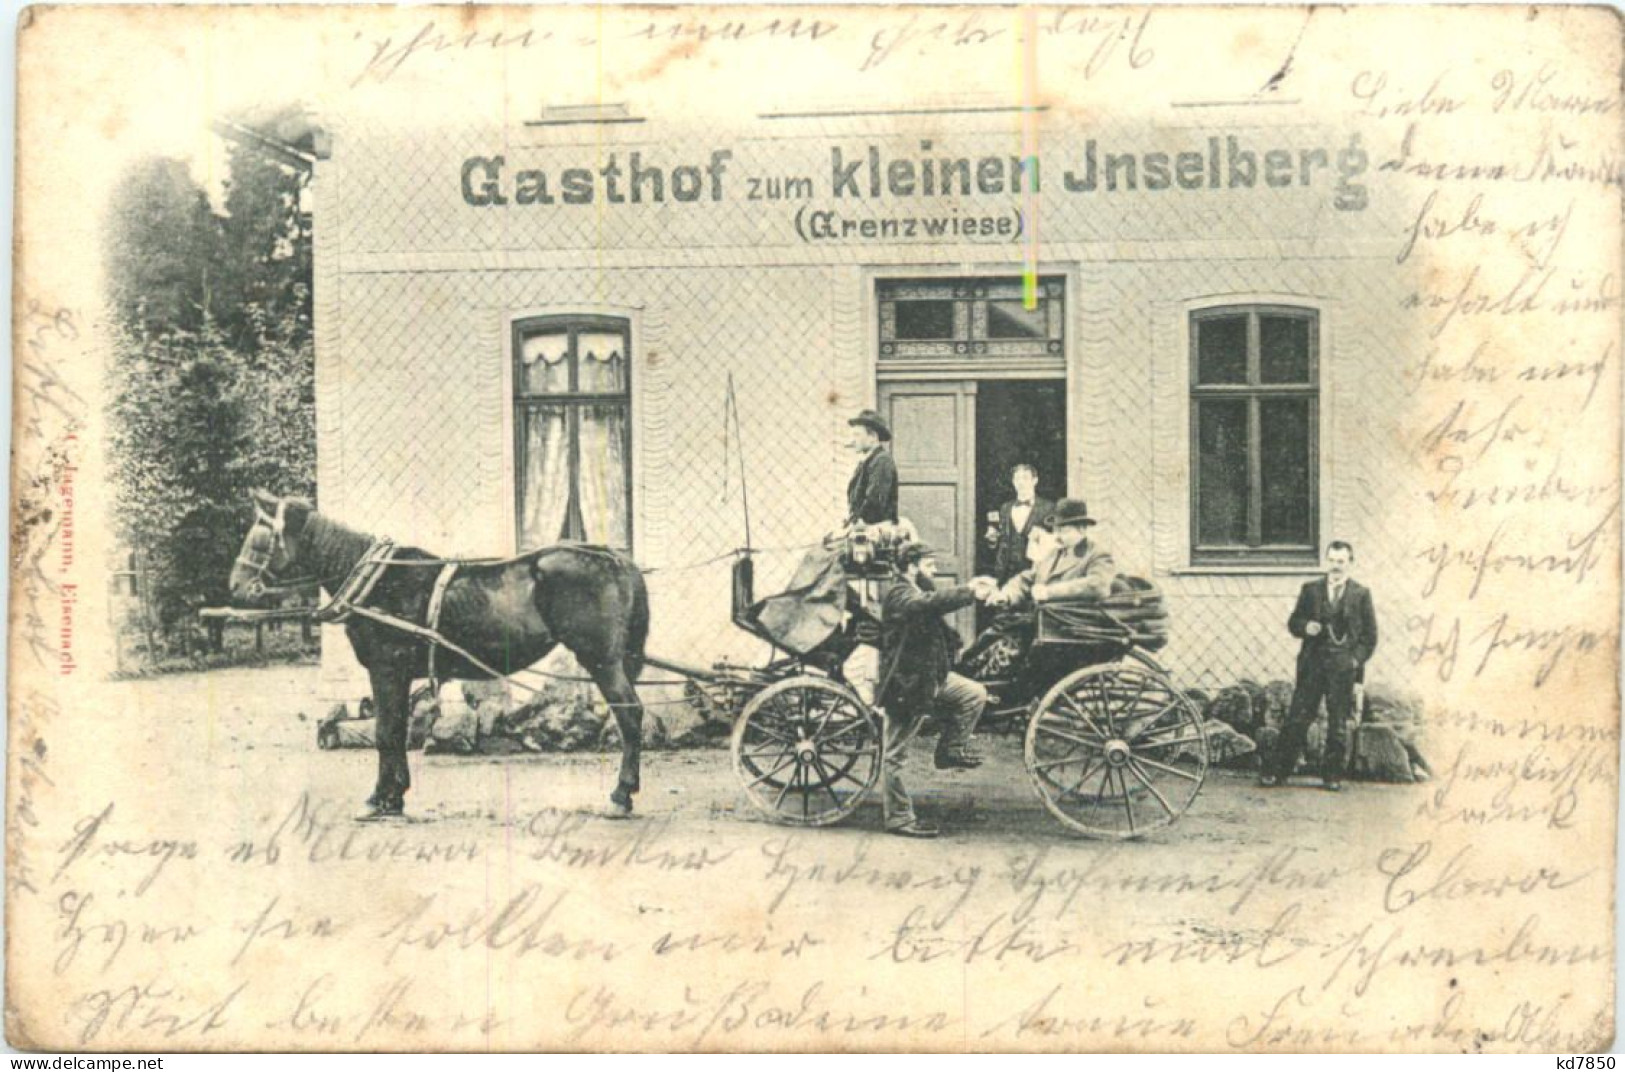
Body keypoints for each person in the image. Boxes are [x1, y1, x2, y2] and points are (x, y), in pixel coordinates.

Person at [877, 541, 998, 838]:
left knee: (974, 694)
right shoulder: (898, 592)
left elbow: (934, 607)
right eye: (929, 564)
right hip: (907, 683)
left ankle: (950, 750)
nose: (934, 569)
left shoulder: (916, 589)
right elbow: (928, 604)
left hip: (931, 678)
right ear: (911, 565)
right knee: (894, 755)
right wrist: (970, 592)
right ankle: (899, 818)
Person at [1261, 540, 1379, 792]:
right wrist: (1306, 627)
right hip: (1313, 665)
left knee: (1337, 722)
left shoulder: (1361, 594)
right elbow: (1293, 622)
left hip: (1343, 668)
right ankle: (1278, 771)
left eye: (1341, 561)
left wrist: (1354, 660)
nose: (1336, 566)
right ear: (1327, 561)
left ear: (1350, 563)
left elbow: (1370, 637)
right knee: (1298, 718)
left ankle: (1332, 776)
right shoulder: (1311, 590)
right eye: (1332, 560)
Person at [994, 498, 1117, 608]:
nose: (1057, 536)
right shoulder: (1053, 553)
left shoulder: (1097, 554)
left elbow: (1098, 585)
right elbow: (1028, 578)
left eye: (1064, 531)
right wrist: (1007, 595)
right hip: (1044, 620)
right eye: (1056, 530)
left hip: (1069, 623)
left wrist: (1048, 592)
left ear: (1082, 529)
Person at [987, 463, 1056, 583]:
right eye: (1017, 478)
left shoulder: (1048, 508)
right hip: (1006, 571)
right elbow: (1000, 539)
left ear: (1035, 480)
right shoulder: (1005, 508)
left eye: (1025, 478)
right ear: (1013, 482)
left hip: (1035, 570)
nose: (1021, 482)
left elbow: (1055, 540)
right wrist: (992, 540)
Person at [845, 409, 899, 526]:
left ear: (873, 437)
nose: (852, 440)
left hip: (877, 531)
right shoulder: (867, 462)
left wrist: (855, 523)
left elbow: (874, 505)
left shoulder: (882, 462)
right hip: (863, 528)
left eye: (857, 435)